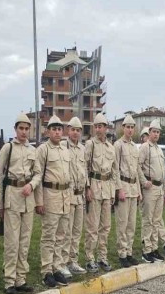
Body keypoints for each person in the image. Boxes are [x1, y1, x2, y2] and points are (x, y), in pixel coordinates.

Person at [0, 113, 40, 294]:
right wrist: (0, 204)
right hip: (12, 197)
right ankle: (9, 280)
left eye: (26, 128)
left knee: (24, 241)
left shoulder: (33, 150)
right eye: (21, 128)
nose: (24, 132)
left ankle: (21, 278)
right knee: (12, 242)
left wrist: (32, 185)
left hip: (27, 198)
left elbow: (38, 173)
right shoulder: (8, 148)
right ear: (15, 129)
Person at [35, 116, 72, 287]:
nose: (57, 132)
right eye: (54, 129)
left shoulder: (65, 150)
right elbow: (38, 176)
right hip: (50, 196)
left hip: (65, 196)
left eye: (59, 129)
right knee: (49, 236)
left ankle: (57, 267)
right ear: (48, 131)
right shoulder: (43, 150)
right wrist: (39, 202)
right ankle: (46, 271)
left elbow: (69, 176)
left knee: (61, 235)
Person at [84, 113, 116, 273]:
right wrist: (87, 187)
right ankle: (90, 258)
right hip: (94, 187)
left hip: (107, 188)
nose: (98, 129)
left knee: (106, 226)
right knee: (92, 226)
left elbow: (114, 171)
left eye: (101, 126)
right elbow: (85, 168)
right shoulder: (90, 144)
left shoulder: (111, 147)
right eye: (96, 126)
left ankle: (102, 257)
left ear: (106, 128)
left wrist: (113, 192)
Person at [139, 119, 165, 262]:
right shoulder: (145, 147)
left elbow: (163, 173)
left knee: (157, 221)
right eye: (154, 132)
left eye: (158, 132)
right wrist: (144, 181)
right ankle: (146, 251)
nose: (156, 134)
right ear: (149, 132)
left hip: (159, 188)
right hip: (149, 189)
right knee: (148, 220)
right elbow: (137, 166)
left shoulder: (159, 149)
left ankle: (154, 248)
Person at [60, 117, 89, 274]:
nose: (75, 133)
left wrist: (87, 188)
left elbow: (84, 170)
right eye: (73, 129)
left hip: (80, 194)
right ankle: (63, 262)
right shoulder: (63, 147)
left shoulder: (83, 149)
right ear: (68, 130)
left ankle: (73, 261)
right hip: (68, 194)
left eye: (78, 130)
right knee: (67, 230)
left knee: (77, 231)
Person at [114, 115, 141, 267]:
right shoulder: (118, 145)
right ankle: (122, 253)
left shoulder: (134, 147)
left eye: (132, 127)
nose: (130, 130)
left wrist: (138, 190)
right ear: (122, 128)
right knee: (122, 223)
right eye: (127, 127)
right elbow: (115, 169)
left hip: (133, 188)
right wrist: (119, 189)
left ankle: (129, 251)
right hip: (123, 186)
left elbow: (136, 170)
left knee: (131, 224)